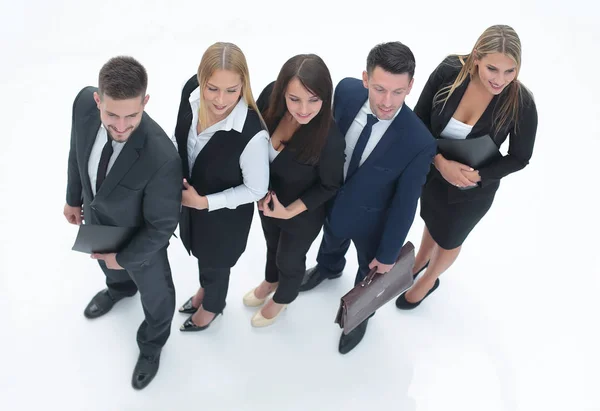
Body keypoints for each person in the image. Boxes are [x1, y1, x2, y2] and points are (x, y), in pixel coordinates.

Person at [299, 42, 437, 354]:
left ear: (411, 86)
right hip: (333, 199)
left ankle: (360, 316)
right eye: (379, 89)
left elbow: (406, 203)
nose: (388, 101)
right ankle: (328, 267)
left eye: (398, 92)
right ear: (365, 79)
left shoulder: (419, 141)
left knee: (369, 272)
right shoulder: (345, 92)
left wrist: (389, 253)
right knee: (331, 237)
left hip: (374, 220)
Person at [396, 24, 538, 309]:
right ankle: (421, 259)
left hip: (471, 189)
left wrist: (480, 176)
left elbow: (520, 157)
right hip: (434, 173)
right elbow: (418, 118)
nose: (500, 80)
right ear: (476, 58)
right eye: (492, 69)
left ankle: (429, 280)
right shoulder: (450, 70)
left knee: (450, 238)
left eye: (510, 71)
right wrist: (439, 162)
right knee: (432, 218)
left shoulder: (520, 103)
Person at [63, 56, 183, 389]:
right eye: (112, 114)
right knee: (108, 269)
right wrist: (74, 197)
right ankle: (119, 288)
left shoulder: (162, 158)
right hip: (98, 220)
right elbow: (76, 150)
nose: (120, 126)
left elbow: (161, 228)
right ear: (97, 100)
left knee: (157, 295)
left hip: (141, 239)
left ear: (145, 102)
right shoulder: (82, 106)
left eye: (132, 115)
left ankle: (153, 343)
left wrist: (125, 258)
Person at [172, 42, 269, 331]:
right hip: (191, 209)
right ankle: (205, 290)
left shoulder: (251, 133)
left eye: (232, 90)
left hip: (224, 219)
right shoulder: (190, 93)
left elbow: (256, 190)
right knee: (203, 257)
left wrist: (204, 203)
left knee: (217, 262)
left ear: (244, 85)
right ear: (201, 80)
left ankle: (213, 306)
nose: (221, 100)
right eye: (212, 88)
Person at [243, 54, 345, 327]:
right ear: (282, 93)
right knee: (271, 246)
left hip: (301, 214)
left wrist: (289, 212)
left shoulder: (329, 138)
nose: (303, 109)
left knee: (289, 259)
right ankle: (271, 280)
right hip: (267, 202)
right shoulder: (268, 100)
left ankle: (283, 297)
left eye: (314, 100)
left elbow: (330, 186)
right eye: (295, 99)